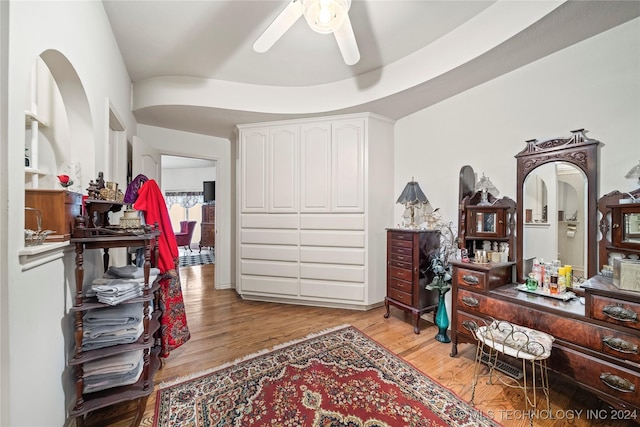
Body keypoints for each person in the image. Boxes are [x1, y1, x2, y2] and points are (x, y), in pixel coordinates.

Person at [124, 174, 190, 357]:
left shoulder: (148, 193)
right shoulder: (152, 194)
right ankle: (160, 341)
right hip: (162, 255)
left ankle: (160, 342)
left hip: (159, 256)